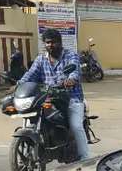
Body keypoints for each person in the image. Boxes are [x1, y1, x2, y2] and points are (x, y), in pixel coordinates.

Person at [20, 29, 89, 160]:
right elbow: (30, 75)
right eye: (48, 42)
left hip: (71, 98)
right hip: (46, 98)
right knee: (32, 120)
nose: (50, 45)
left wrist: (71, 80)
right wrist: (18, 85)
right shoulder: (41, 59)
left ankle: (85, 158)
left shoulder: (70, 56)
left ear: (60, 42)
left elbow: (75, 71)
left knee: (75, 125)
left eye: (54, 42)